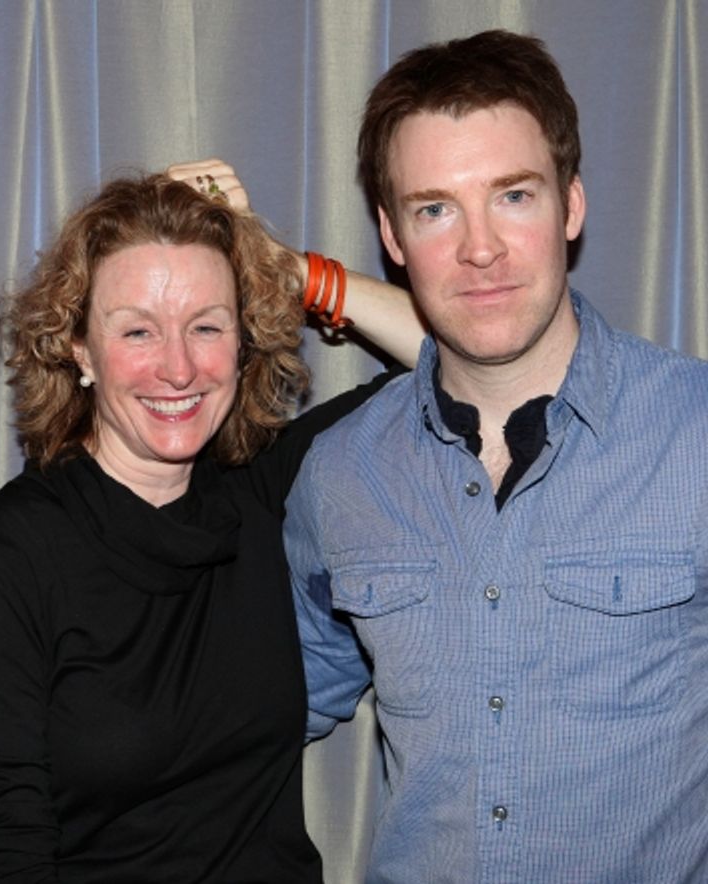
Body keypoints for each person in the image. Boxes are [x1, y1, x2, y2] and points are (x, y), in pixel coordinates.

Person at [0, 170, 424, 882]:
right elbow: (5, 854)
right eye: (138, 331)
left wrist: (282, 266)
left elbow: (458, 357)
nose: (178, 368)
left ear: (242, 342)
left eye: (206, 326)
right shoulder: (4, 558)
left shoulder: (265, 490)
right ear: (80, 349)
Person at [286, 29, 708, 883]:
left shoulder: (692, 432)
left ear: (571, 206)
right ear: (392, 235)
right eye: (435, 209)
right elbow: (257, 712)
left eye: (513, 195)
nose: (479, 248)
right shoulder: (339, 475)